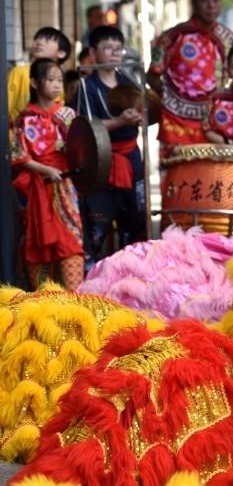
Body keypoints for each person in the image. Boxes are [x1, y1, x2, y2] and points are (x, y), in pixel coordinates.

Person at [72, 25, 146, 262]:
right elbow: (83, 128)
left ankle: (131, 269)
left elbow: (146, 110)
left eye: (118, 49)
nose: (114, 53)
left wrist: (140, 117)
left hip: (131, 158)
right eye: (107, 48)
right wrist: (119, 121)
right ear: (93, 53)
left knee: (134, 221)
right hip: (100, 161)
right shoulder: (86, 86)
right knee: (98, 224)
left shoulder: (128, 80)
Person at [11, 59, 84, 290]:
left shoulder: (68, 114)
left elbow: (82, 149)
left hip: (64, 188)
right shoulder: (23, 119)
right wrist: (45, 170)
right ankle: (44, 305)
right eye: (50, 80)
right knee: (37, 242)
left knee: (70, 240)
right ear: (34, 82)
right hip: (37, 189)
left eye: (59, 80)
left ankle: (75, 298)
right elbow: (19, 156)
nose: (56, 85)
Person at [147, 0, 233, 153]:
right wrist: (169, 101)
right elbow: (151, 75)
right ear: (193, 2)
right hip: (176, 122)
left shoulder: (229, 39)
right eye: (204, 0)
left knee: (216, 178)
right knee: (179, 178)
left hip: (215, 121)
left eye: (216, 0)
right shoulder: (171, 37)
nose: (211, 5)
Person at [8, 27, 71, 123]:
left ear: (61, 53)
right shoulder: (19, 72)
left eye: (47, 40)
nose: (39, 42)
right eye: (37, 38)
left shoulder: (59, 78)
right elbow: (6, 108)